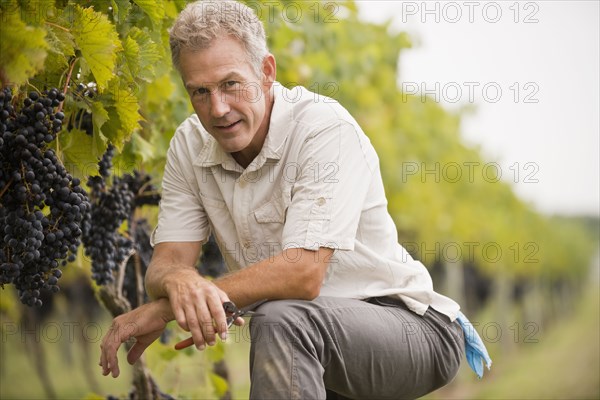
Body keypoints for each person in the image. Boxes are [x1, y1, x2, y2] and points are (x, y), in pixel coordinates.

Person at [99, 1, 490, 398]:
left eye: (231, 84)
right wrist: (181, 282)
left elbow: (303, 273)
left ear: (266, 73)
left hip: (410, 328)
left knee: (279, 319)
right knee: (282, 322)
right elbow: (165, 264)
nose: (217, 108)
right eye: (200, 91)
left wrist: (167, 309)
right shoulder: (189, 142)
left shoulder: (324, 129)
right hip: (316, 343)